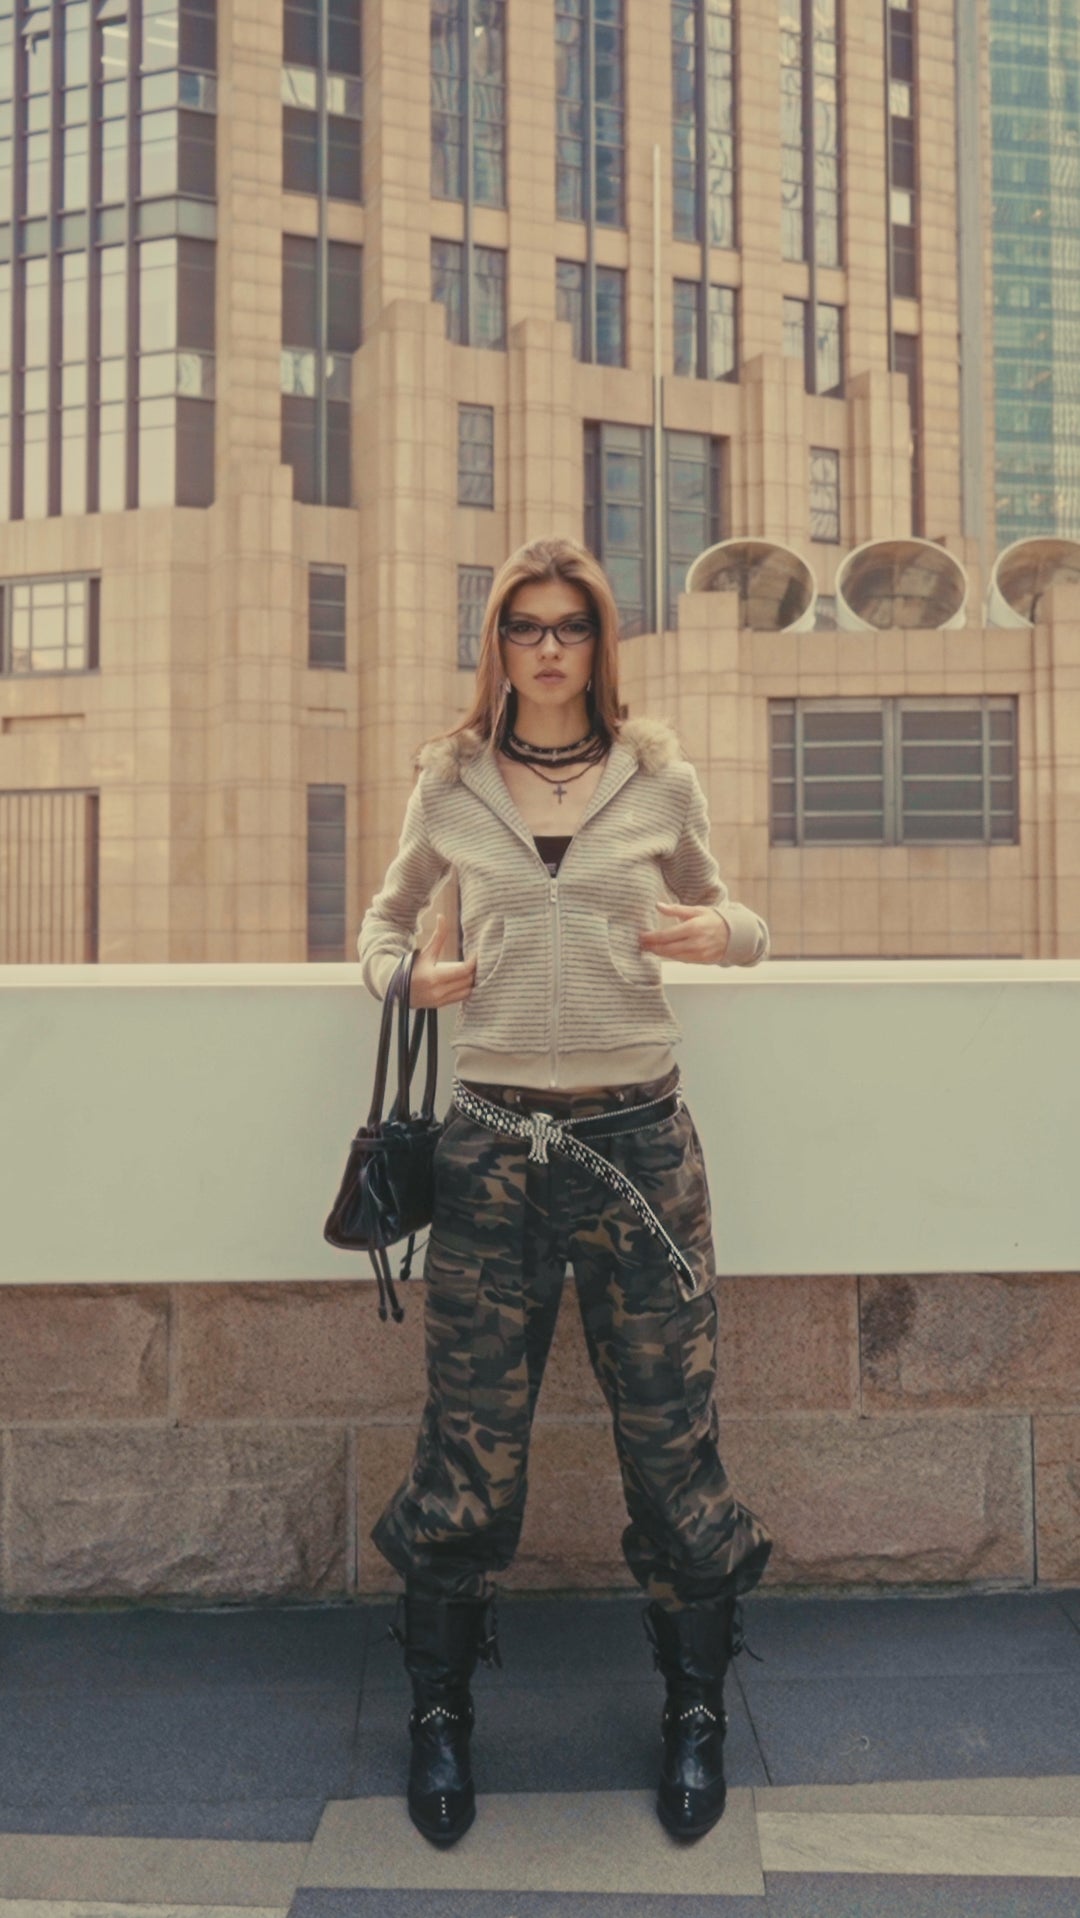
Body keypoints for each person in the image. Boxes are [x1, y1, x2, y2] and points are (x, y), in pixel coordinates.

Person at [357, 535, 773, 1848]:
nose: (547, 648)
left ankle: (696, 1712)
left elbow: (732, 915)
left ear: (600, 642)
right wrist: (402, 976)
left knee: (672, 1444)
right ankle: (438, 1716)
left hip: (639, 1147)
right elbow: (382, 924)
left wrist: (726, 936)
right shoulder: (450, 782)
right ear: (497, 643)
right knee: (469, 1453)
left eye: (570, 626)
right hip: (490, 1154)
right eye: (524, 626)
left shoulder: (658, 778)